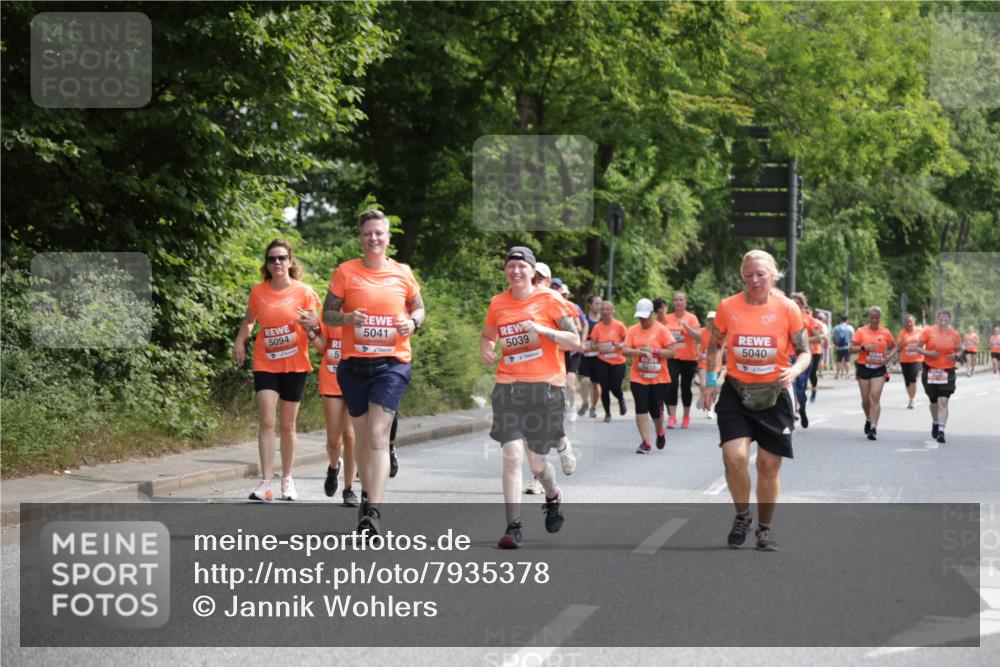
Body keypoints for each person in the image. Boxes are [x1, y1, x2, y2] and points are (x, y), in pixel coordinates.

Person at [701, 249, 811, 552]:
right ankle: (742, 516)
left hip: (775, 393)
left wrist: (795, 370)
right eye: (748, 275)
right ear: (742, 276)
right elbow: (714, 347)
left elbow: (805, 351)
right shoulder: (728, 307)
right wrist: (710, 382)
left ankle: (765, 528)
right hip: (736, 391)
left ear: (773, 275)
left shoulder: (788, 309)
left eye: (760, 274)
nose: (754, 279)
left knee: (768, 464)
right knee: (734, 457)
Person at [323, 210, 424, 535]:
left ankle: (373, 513)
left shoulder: (402, 273)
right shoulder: (345, 273)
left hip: (392, 365)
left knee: (378, 435)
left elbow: (419, 308)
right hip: (354, 367)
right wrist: (348, 319)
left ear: (388, 238)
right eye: (368, 233)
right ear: (361, 238)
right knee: (365, 438)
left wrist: (413, 323)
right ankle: (367, 495)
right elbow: (328, 314)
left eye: (379, 233)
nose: (374, 238)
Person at [481, 246, 580, 549]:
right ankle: (514, 527)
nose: (515, 271)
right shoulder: (498, 303)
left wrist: (541, 329)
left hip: (545, 388)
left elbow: (574, 339)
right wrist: (486, 346)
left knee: (537, 466)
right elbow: (488, 334)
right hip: (508, 386)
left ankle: (552, 495)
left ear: (533, 271)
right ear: (505, 272)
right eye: (510, 267)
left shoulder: (551, 300)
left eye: (521, 267)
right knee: (511, 455)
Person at [232, 239, 322, 502]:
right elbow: (249, 321)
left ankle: (287, 480)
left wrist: (311, 326)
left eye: (282, 258)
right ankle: (266, 483)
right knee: (267, 421)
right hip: (266, 363)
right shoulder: (259, 292)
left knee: (287, 425)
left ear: (290, 261)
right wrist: (240, 339)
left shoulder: (304, 291)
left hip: (294, 364)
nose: (277, 263)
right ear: (267, 264)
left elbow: (316, 325)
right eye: (272, 259)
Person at [309, 318, 359, 507]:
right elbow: (322, 347)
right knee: (333, 440)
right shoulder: (330, 313)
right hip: (331, 378)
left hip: (355, 379)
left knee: (350, 435)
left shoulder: (363, 311)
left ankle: (349, 489)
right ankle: (333, 466)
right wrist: (311, 332)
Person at [623, 298, 677, 452]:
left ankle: (660, 432)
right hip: (638, 377)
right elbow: (624, 350)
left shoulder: (661, 330)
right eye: (640, 316)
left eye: (645, 316)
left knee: (656, 411)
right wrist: (639, 351)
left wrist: (654, 351)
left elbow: (672, 352)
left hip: (659, 379)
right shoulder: (633, 330)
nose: (642, 319)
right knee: (641, 408)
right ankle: (645, 442)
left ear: (652, 314)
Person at [916, 310, 963, 443]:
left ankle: (941, 431)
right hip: (930, 370)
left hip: (947, 371)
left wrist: (955, 356)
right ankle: (935, 421)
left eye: (946, 320)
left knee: (943, 401)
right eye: (940, 319)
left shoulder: (954, 334)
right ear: (937, 319)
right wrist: (929, 353)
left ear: (949, 320)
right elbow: (918, 347)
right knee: (934, 402)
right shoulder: (928, 331)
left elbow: (959, 352)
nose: (943, 322)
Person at [849, 307, 896, 441]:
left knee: (874, 397)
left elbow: (895, 346)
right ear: (868, 318)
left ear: (880, 318)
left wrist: (889, 356)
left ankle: (874, 428)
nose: (874, 320)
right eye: (872, 317)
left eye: (877, 318)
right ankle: (869, 418)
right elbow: (850, 348)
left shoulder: (885, 332)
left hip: (879, 369)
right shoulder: (861, 331)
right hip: (864, 367)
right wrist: (863, 347)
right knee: (865, 400)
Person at [661, 292, 701, 429]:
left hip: (689, 358)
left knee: (685, 387)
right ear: (673, 303)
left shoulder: (691, 318)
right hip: (672, 357)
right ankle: (672, 417)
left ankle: (686, 417)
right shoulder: (667, 318)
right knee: (671, 385)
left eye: (681, 300)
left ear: (685, 303)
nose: (678, 302)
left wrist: (686, 326)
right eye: (676, 300)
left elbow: (699, 337)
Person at [589, 301, 629, 423]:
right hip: (603, 361)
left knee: (615, 386)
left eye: (608, 309)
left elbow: (627, 341)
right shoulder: (597, 327)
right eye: (603, 310)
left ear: (612, 311)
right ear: (600, 312)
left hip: (618, 361)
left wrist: (619, 345)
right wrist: (598, 347)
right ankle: (607, 413)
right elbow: (592, 345)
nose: (605, 312)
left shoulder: (619, 325)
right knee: (605, 387)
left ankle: (621, 399)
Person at [789, 294, 822, 428]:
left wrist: (802, 340)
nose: (795, 306)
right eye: (792, 303)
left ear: (803, 306)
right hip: (788, 356)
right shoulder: (784, 318)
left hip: (803, 357)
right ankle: (793, 410)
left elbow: (818, 338)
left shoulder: (809, 320)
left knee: (800, 388)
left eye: (798, 303)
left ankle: (802, 408)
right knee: (789, 384)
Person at [576, 294, 602, 419]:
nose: (599, 306)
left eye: (600, 303)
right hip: (585, 356)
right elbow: (580, 335)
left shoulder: (603, 321)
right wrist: (583, 344)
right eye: (596, 303)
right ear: (590, 305)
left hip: (598, 356)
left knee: (596, 384)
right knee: (584, 381)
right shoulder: (585, 320)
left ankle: (593, 407)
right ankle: (585, 402)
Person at [892, 313, 924, 409]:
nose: (909, 323)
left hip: (917, 359)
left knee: (913, 378)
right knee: (907, 381)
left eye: (910, 321)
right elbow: (898, 348)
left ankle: (912, 399)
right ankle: (910, 398)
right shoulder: (902, 333)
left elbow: (925, 342)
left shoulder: (920, 331)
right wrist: (903, 341)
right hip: (905, 360)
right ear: (904, 323)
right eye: (907, 322)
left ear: (914, 322)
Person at [697, 311, 720, 419]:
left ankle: (710, 408)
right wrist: (698, 355)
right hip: (703, 363)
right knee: (702, 384)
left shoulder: (720, 333)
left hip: (715, 365)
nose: (711, 322)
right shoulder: (702, 332)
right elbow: (696, 344)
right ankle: (703, 395)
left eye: (713, 319)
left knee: (712, 386)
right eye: (709, 319)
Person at [805, 305, 825, 402]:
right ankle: (802, 392)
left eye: (809, 312)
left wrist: (806, 339)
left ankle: (814, 390)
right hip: (804, 351)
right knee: (803, 373)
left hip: (815, 351)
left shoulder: (815, 323)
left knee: (812, 373)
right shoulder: (798, 320)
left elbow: (821, 337)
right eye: (806, 312)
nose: (807, 314)